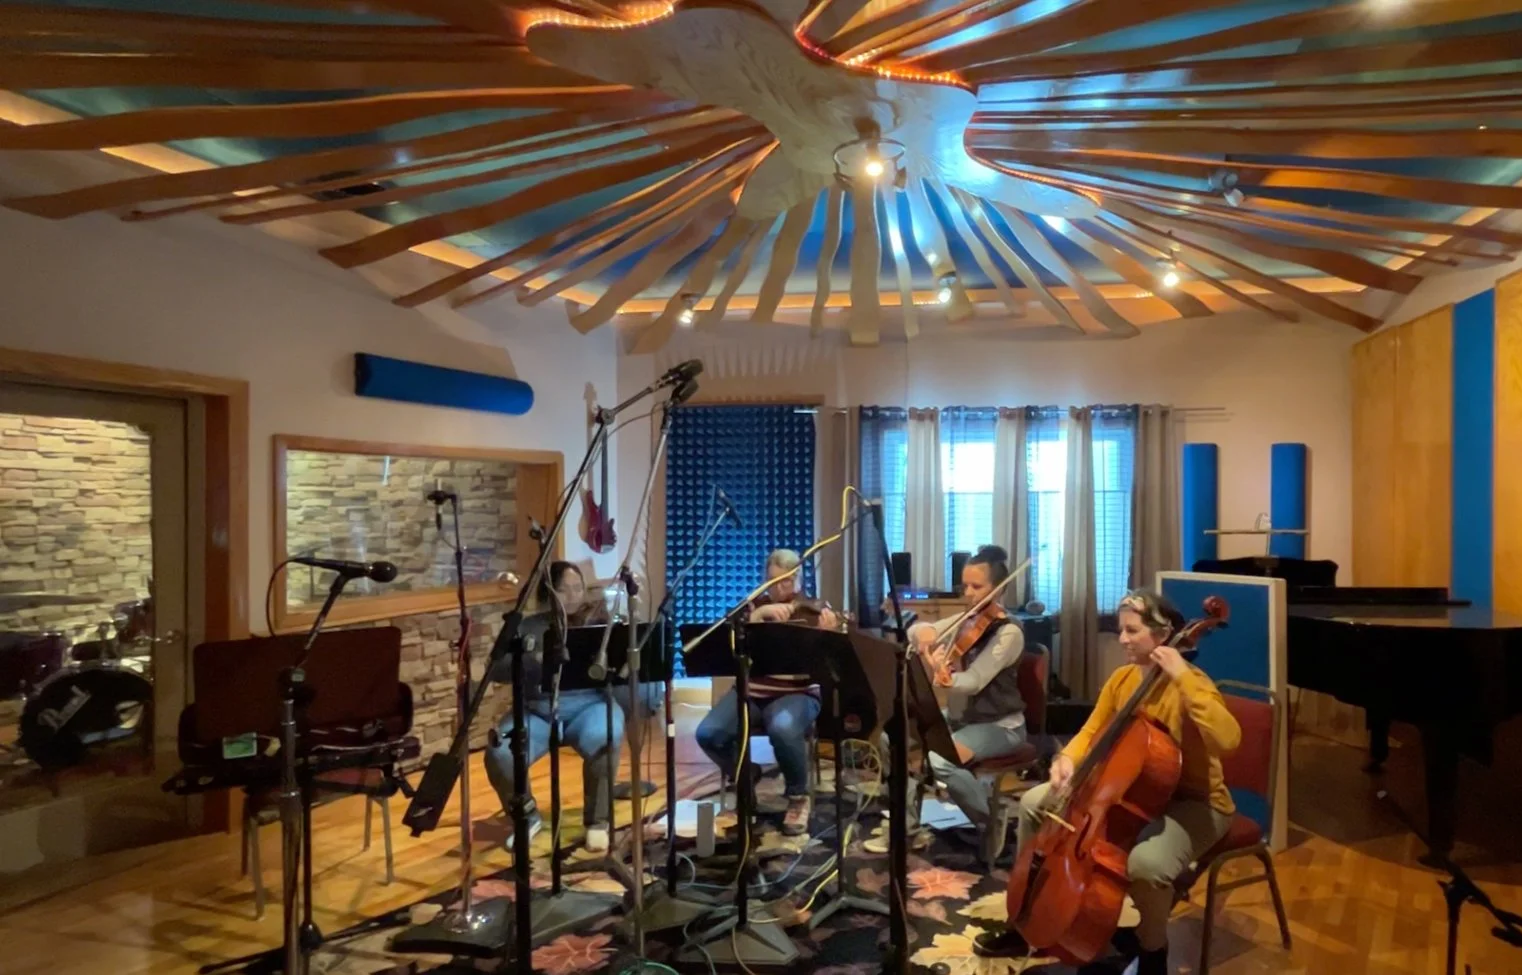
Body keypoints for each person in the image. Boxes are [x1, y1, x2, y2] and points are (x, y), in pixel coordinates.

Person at [974, 588, 1242, 975]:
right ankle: (1025, 919)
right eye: (1121, 630)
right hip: (1134, 793)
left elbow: (1229, 740)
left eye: (1132, 631)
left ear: (1162, 635)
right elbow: (1091, 731)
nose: (1122, 640)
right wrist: (1066, 760)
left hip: (1197, 803)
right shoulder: (1123, 679)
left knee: (1146, 864)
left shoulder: (1192, 684)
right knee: (1033, 803)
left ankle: (1153, 953)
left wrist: (1183, 676)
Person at [695, 548, 838, 837]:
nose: (782, 588)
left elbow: (834, 659)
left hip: (799, 693)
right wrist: (759, 615)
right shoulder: (752, 606)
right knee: (708, 733)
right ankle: (746, 774)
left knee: (782, 727)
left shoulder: (816, 607)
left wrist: (831, 632)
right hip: (753, 692)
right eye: (774, 581)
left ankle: (798, 797)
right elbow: (727, 639)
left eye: (788, 581)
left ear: (799, 579)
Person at [484, 561, 621, 853]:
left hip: (588, 706)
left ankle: (598, 822)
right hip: (538, 711)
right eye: (564, 589)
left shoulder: (598, 624)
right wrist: (530, 660)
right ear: (548, 593)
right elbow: (496, 669)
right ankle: (526, 817)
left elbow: (621, 670)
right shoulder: (528, 626)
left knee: (606, 735)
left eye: (578, 588)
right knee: (499, 752)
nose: (573, 596)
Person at [903, 545, 1027, 861]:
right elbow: (917, 630)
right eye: (965, 586)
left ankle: (990, 822)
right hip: (963, 717)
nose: (968, 594)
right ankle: (908, 826)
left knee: (941, 760)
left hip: (1000, 725)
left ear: (999, 589)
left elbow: (973, 681)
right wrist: (923, 632)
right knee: (897, 735)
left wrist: (945, 676)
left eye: (977, 587)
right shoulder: (968, 619)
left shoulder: (1009, 633)